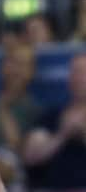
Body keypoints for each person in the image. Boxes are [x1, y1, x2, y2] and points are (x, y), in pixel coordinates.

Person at [23, 52, 86, 190]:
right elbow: (31, 156)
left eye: (83, 73)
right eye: (75, 72)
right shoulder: (51, 116)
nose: (78, 78)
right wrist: (63, 134)